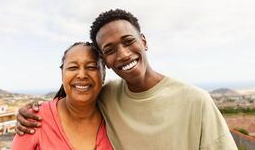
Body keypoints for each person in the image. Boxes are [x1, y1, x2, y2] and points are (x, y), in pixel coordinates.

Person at [16, 9, 237, 150]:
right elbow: (78, 90)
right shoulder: (108, 96)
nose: (123, 54)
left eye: (128, 41)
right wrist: (30, 112)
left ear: (144, 41)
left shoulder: (195, 101)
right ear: (106, 62)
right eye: (110, 50)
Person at [11, 42, 113, 150]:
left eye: (91, 67)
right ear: (62, 74)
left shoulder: (114, 117)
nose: (82, 75)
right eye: (73, 67)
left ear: (103, 74)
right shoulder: (35, 119)